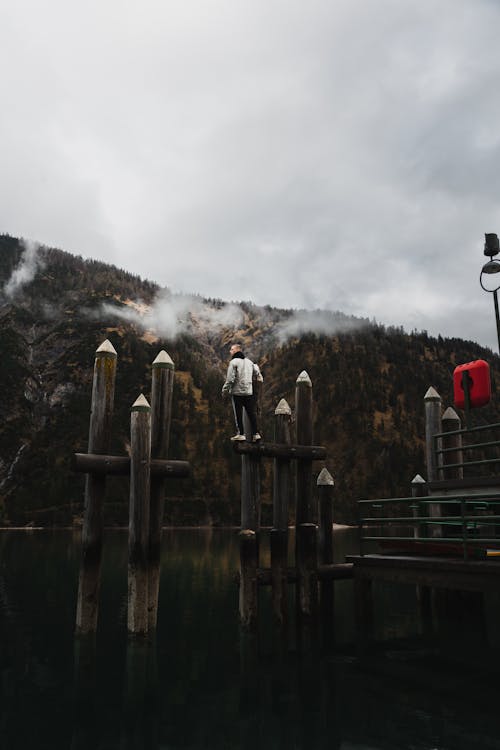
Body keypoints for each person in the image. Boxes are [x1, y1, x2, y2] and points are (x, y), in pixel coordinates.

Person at [221, 343, 263, 441]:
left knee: (238, 414)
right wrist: (259, 378)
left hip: (237, 392)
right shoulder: (249, 362)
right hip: (248, 392)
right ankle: (256, 434)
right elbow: (256, 370)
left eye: (231, 349)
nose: (230, 351)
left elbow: (230, 379)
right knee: (251, 413)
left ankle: (241, 434)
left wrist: (225, 390)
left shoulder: (233, 362)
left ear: (236, 351)